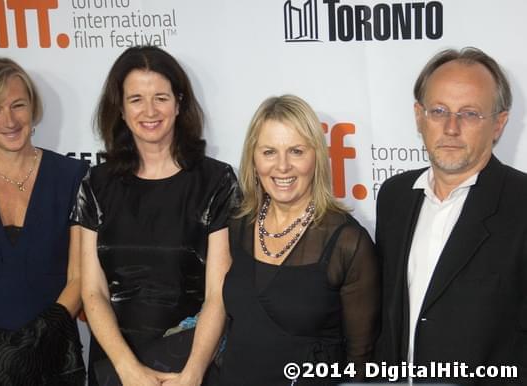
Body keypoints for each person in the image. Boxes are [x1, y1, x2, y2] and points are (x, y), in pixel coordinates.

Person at [72, 45, 240, 386]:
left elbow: (218, 294)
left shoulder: (216, 181)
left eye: (161, 97)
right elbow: (93, 292)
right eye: (136, 99)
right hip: (116, 368)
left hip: (192, 363)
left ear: (179, 103)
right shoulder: (96, 184)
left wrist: (192, 374)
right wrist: (129, 370)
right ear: (120, 108)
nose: (150, 110)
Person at [374, 47, 527, 385]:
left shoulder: (521, 204)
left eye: (470, 114)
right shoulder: (394, 197)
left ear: (499, 123)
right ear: (419, 116)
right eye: (438, 110)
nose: (451, 127)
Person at [218, 95, 380, 385]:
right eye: (269, 152)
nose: (282, 166)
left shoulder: (348, 243)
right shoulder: (238, 224)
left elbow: (361, 358)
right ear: (253, 159)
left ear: (316, 156)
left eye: (296, 151)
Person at [0, 57, 87, 385]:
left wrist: (31, 351)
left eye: (17, 105)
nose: (8, 120)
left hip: (48, 361)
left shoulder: (73, 177)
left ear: (33, 108)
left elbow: (79, 278)